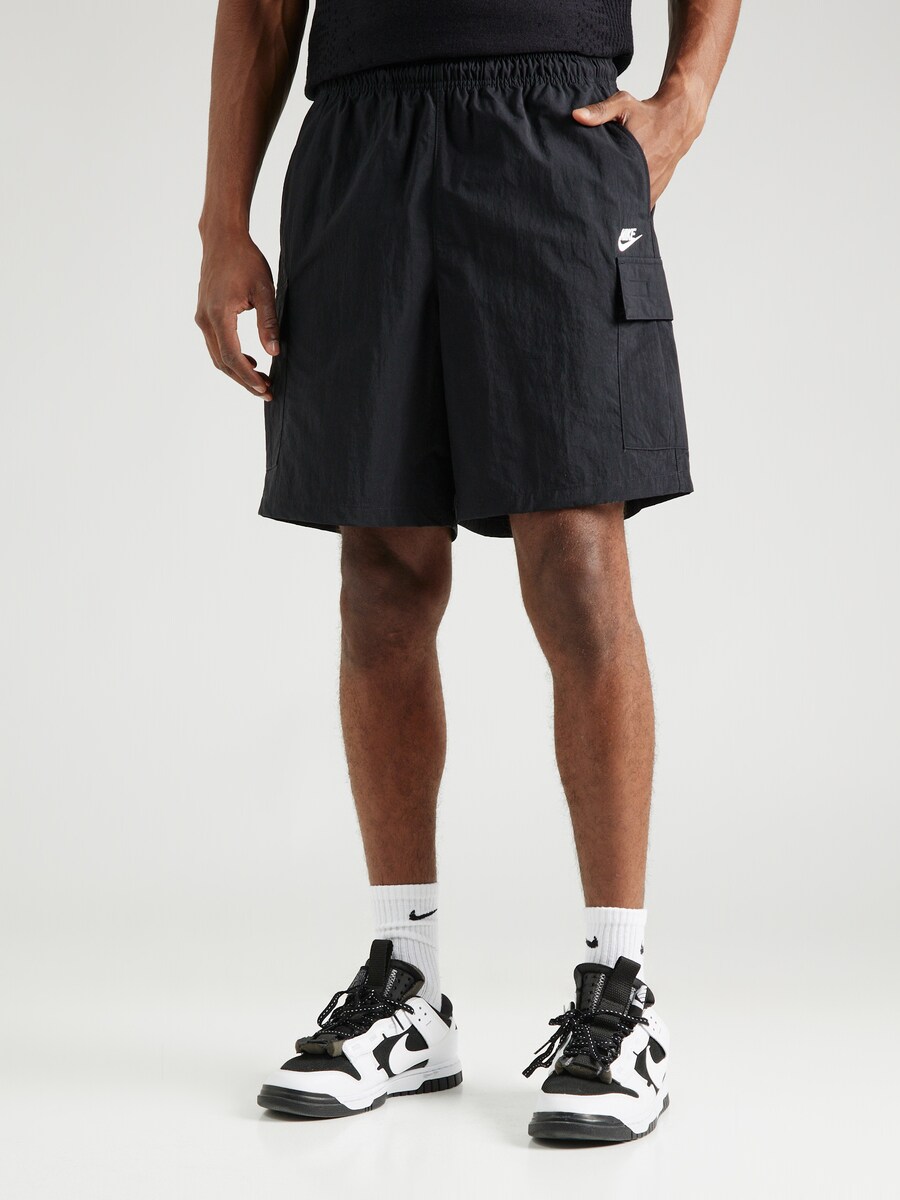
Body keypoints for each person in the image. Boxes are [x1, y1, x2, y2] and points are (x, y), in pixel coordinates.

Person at [196, 0, 739, 1142]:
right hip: (360, 141)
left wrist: (687, 95)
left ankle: (620, 993)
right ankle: (408, 989)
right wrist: (221, 222)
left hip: (552, 129)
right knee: (381, 572)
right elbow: (260, 9)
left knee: (577, 559)